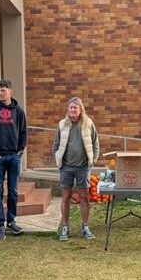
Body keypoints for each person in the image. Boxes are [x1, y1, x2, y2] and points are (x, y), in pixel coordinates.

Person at [0, 79, 28, 240]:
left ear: (10, 91)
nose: (0, 93)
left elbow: (23, 132)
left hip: (14, 157)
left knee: (13, 191)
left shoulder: (18, 111)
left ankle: (11, 221)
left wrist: (20, 151)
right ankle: (0, 224)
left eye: (3, 90)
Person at [52, 97, 100, 241]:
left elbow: (95, 143)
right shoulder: (62, 124)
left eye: (75, 107)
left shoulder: (88, 124)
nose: (72, 110)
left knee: (85, 197)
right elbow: (55, 145)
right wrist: (58, 160)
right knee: (66, 197)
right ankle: (65, 227)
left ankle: (85, 227)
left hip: (83, 167)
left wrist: (92, 161)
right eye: (70, 107)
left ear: (80, 110)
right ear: (68, 109)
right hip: (66, 167)